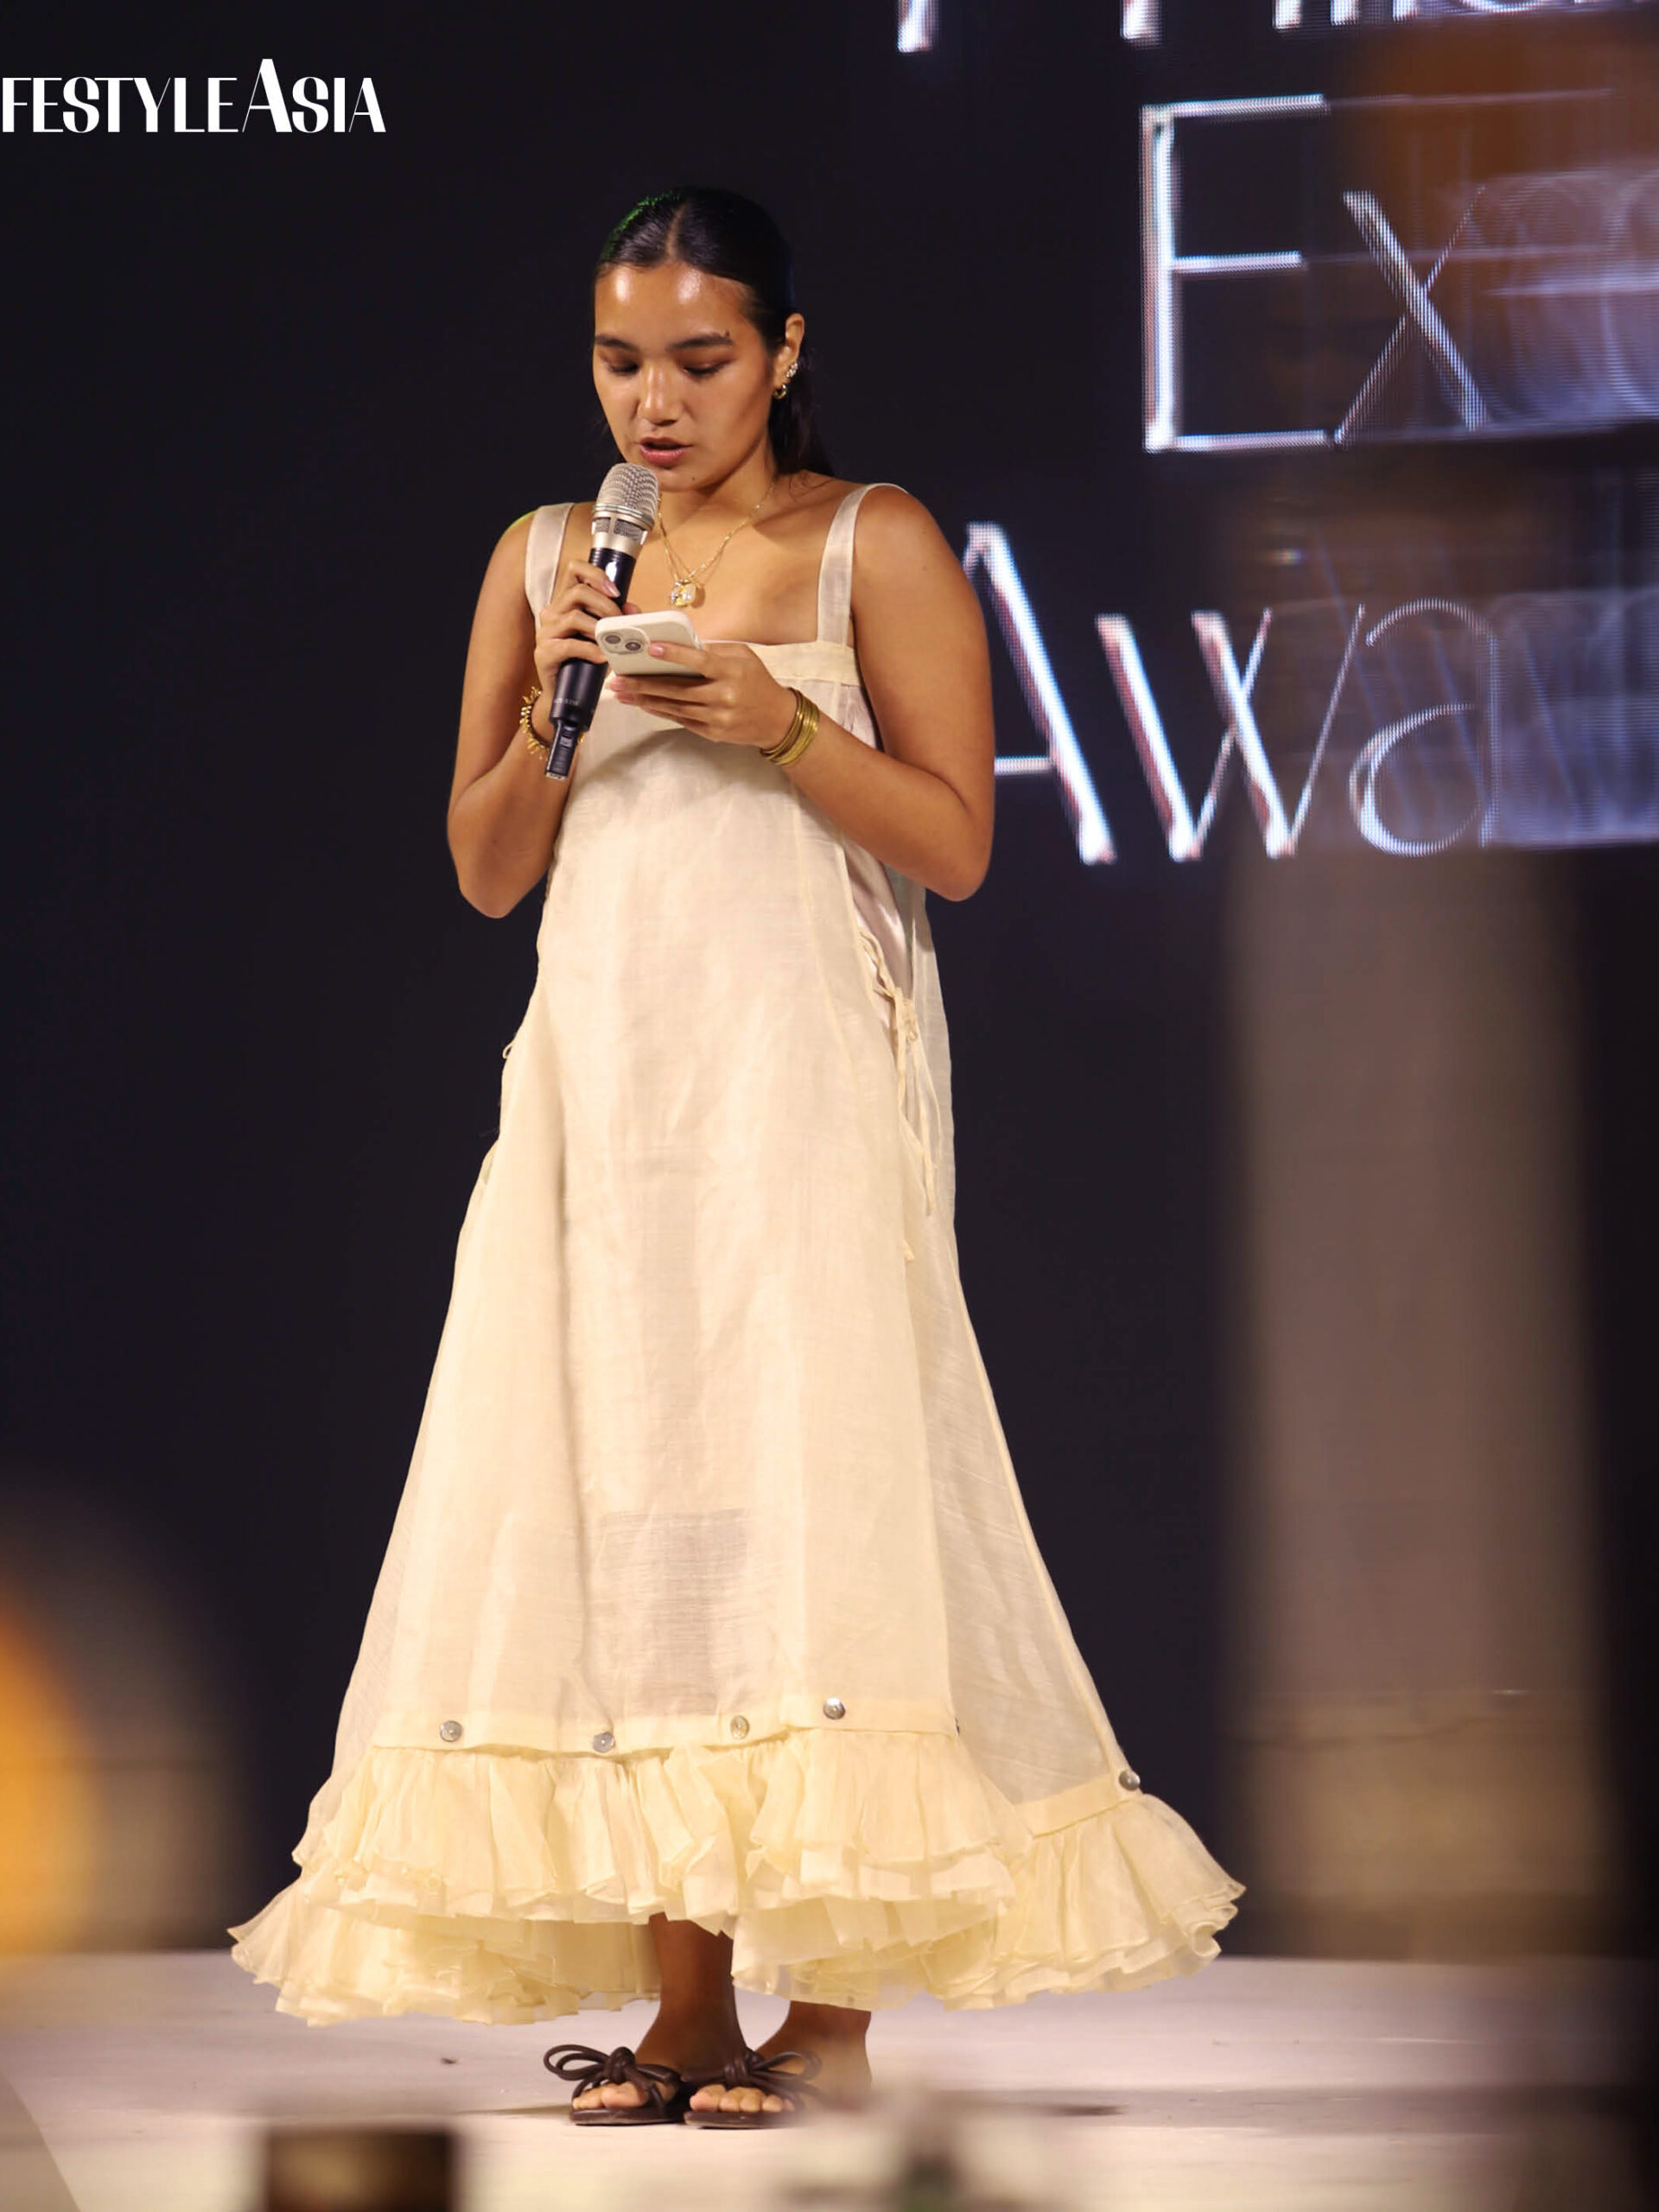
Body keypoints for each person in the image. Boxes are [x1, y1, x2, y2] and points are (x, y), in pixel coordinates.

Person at [232, 186, 1241, 2131]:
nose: (658, 401)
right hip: (606, 1105)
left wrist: (778, 722)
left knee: (817, 1487)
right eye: (621, 361)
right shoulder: (547, 556)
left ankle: (827, 2016)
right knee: (627, 1507)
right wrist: (558, 715)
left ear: (783, 351)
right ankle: (682, 2006)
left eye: (701, 359)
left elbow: (956, 843)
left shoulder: (872, 542)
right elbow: (486, 869)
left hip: (799, 1096)